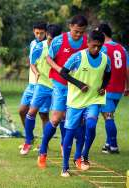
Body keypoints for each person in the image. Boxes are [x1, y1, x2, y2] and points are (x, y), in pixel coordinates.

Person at [59, 30, 111, 177]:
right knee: (69, 133)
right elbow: (63, 72)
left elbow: (108, 74)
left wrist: (103, 87)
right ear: (88, 43)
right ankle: (65, 167)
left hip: (94, 99)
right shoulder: (77, 57)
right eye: (94, 46)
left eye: (99, 46)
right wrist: (79, 84)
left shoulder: (106, 59)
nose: (96, 49)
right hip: (75, 101)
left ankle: (84, 155)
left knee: (91, 125)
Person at [39, 15, 88, 158]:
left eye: (82, 32)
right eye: (76, 31)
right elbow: (48, 58)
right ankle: (43, 150)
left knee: (77, 120)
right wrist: (59, 69)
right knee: (55, 118)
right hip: (60, 83)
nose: (78, 34)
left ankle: (72, 151)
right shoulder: (59, 41)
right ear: (70, 26)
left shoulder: (87, 42)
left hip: (78, 87)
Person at [21, 24, 62, 156]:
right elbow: (32, 63)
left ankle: (61, 144)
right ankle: (28, 141)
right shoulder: (39, 47)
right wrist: (36, 72)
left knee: (60, 117)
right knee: (31, 111)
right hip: (43, 84)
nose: (51, 43)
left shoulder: (63, 48)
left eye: (53, 40)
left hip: (59, 86)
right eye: (49, 39)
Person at [97, 23, 129, 154]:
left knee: (108, 116)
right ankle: (108, 143)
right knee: (109, 116)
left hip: (107, 88)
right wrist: (127, 86)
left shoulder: (103, 48)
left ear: (103, 34)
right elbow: (127, 69)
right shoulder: (122, 48)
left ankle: (114, 146)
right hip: (119, 88)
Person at [18, 22, 48, 142]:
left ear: (46, 32)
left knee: (43, 115)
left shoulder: (49, 45)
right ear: (33, 31)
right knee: (22, 111)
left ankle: (45, 144)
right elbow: (32, 62)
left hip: (44, 85)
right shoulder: (33, 43)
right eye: (37, 33)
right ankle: (29, 137)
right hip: (31, 85)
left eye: (42, 33)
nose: (39, 35)